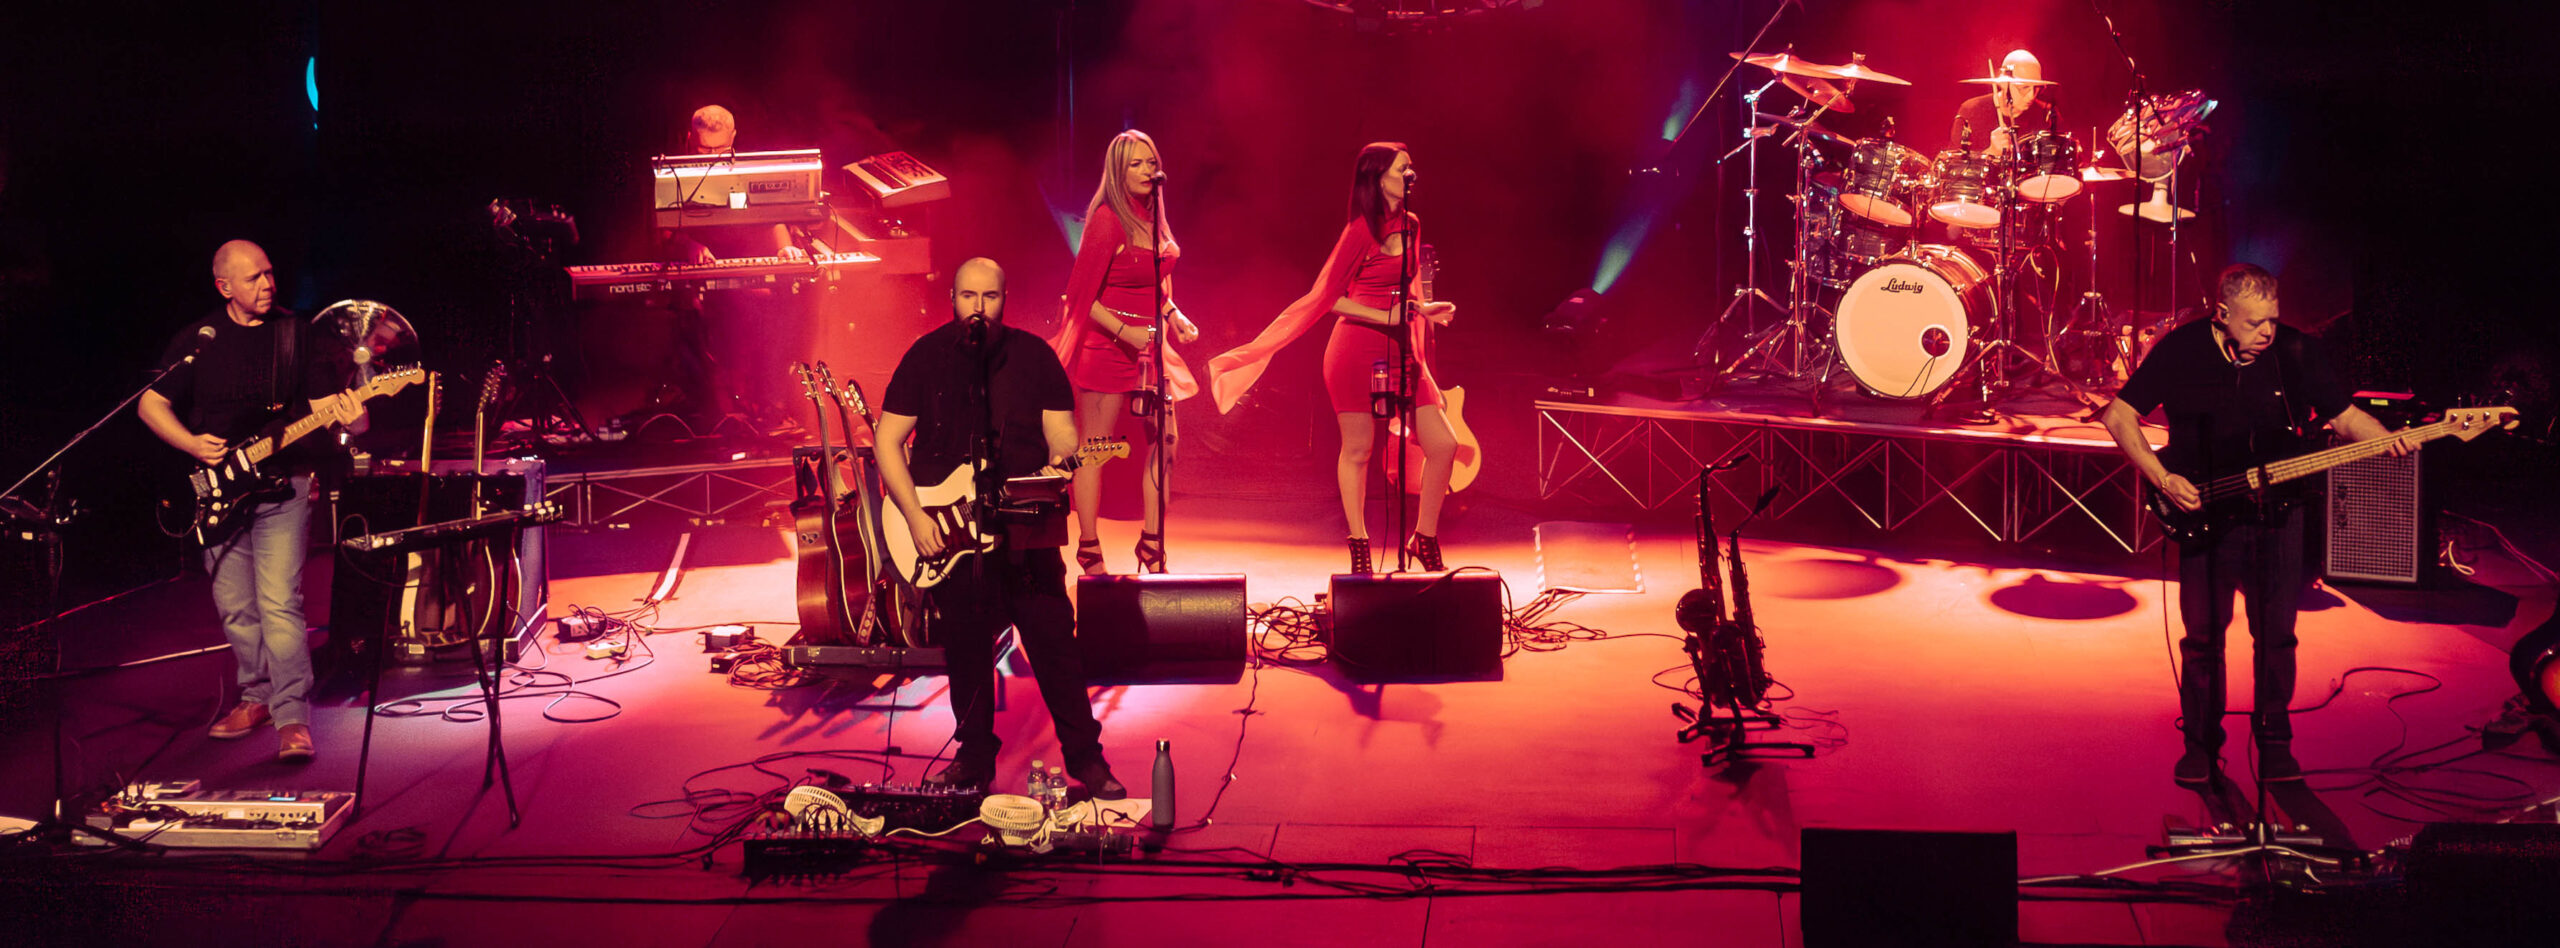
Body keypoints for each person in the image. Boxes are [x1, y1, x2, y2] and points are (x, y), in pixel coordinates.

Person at [2099, 264, 2409, 786]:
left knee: (2277, 637)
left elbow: (2343, 416)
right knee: (2203, 639)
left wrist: (2385, 439)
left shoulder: (2296, 352)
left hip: (2278, 515)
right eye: (2254, 322)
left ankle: (2275, 744)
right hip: (2204, 516)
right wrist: (2162, 477)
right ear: (2222, 315)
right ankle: (2200, 746)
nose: (2267, 332)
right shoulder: (2182, 349)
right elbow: (2117, 415)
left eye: (2273, 319)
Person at [874, 257, 1124, 798]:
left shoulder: (1035, 357)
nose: (978, 308)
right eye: (968, 296)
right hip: (950, 534)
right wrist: (915, 516)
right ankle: (972, 761)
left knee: (1055, 644)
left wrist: (1064, 457)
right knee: (966, 649)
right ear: (952, 298)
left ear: (1004, 300)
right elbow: (886, 441)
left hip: (1028, 533)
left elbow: (1063, 434)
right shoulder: (925, 357)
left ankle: (1086, 759)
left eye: (989, 297)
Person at [136, 240, 358, 762]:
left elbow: (328, 409)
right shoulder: (201, 340)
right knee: (236, 606)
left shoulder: (296, 335)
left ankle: (292, 715)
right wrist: (192, 444)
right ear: (224, 287)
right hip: (220, 490)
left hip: (284, 485)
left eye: (269, 273)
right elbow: (150, 403)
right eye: (254, 277)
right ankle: (256, 696)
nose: (267, 284)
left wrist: (356, 412)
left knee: (279, 601)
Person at [1207, 143, 1459, 573]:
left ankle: (1425, 537)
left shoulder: (1412, 225)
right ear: (1378, 178)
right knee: (1358, 450)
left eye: (1411, 167)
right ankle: (1359, 543)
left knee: (1444, 444)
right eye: (1402, 168)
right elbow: (1328, 299)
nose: (1411, 174)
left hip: (1401, 350)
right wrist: (1386, 315)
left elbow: (1407, 288)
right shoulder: (1359, 231)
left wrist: (1423, 310)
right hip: (1355, 351)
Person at [1052, 130, 1201, 575]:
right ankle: (1089, 548)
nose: (1146, 170)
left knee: (1166, 444)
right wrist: (1124, 332)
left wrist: (1173, 314)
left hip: (1150, 350)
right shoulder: (1108, 220)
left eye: (1150, 162)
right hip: (1107, 347)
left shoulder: (1153, 218)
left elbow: (1153, 284)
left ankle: (1152, 544)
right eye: (1135, 163)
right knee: (1094, 450)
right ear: (1117, 171)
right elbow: (1079, 295)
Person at [656, 104, 811, 430]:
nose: (713, 157)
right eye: (704, 150)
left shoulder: (746, 171)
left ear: (734, 138)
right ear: (689, 140)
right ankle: (716, 410)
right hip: (695, 277)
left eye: (721, 149)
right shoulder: (670, 176)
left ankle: (771, 406)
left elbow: (770, 218)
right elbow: (662, 234)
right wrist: (690, 245)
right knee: (703, 320)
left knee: (781, 306)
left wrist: (784, 246)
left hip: (742, 274)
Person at [1947, 49, 2057, 159]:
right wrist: (1991, 153)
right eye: (2024, 88)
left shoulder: (2045, 115)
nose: (2031, 96)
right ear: (2004, 84)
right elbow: (1952, 164)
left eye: (2037, 88)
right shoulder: (1971, 110)